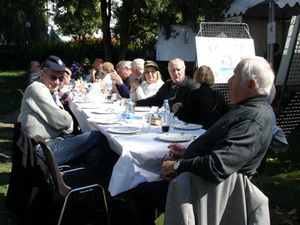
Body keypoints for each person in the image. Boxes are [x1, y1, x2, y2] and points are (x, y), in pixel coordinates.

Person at [133, 56, 275, 225]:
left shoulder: (252, 118)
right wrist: (186, 154)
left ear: (250, 85)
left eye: (234, 76)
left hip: (206, 191)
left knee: (141, 190)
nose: (229, 81)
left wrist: (178, 165)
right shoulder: (246, 110)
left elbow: (218, 165)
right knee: (147, 179)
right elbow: (225, 151)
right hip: (199, 179)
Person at [19, 55, 118, 185]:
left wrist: (66, 123)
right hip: (46, 150)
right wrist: (67, 121)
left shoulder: (48, 90)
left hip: (51, 144)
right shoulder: (37, 88)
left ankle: (99, 190)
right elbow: (64, 121)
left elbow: (65, 125)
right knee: (98, 136)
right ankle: (113, 186)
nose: (57, 82)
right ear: (42, 74)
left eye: (60, 78)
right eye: (53, 77)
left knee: (97, 153)